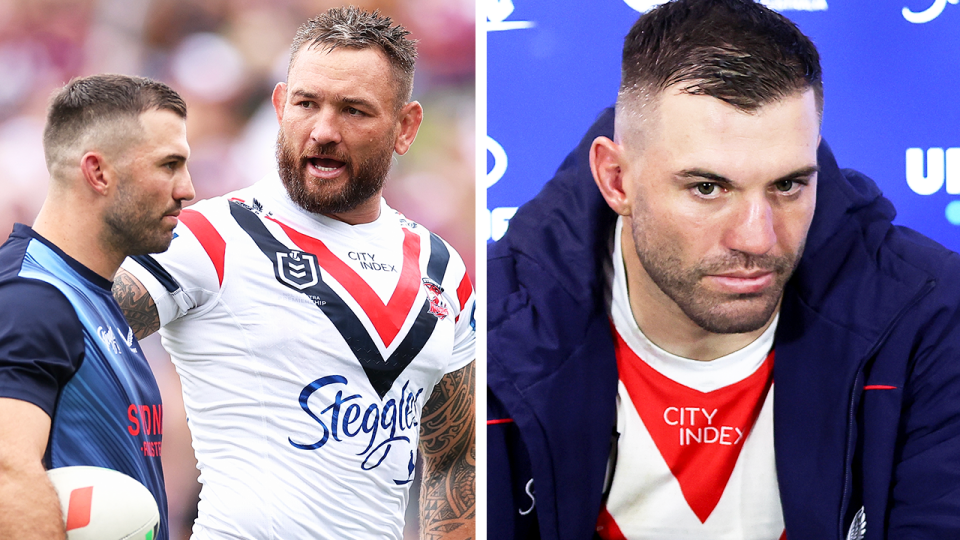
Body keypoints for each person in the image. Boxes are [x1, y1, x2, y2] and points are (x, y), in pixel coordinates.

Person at [487, 1, 960, 539]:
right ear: (617, 180)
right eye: (707, 188)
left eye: (788, 186)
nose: (757, 238)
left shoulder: (930, 315)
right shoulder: (483, 327)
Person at [111, 7, 476, 539]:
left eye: (354, 111)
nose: (323, 131)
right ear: (281, 106)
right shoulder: (209, 236)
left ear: (406, 127)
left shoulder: (444, 269)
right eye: (307, 104)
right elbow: (64, 327)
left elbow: (453, 464)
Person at [0, 74, 194, 540]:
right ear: (98, 172)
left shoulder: (92, 297)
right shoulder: (31, 299)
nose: (186, 189)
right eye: (169, 165)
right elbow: (7, 470)